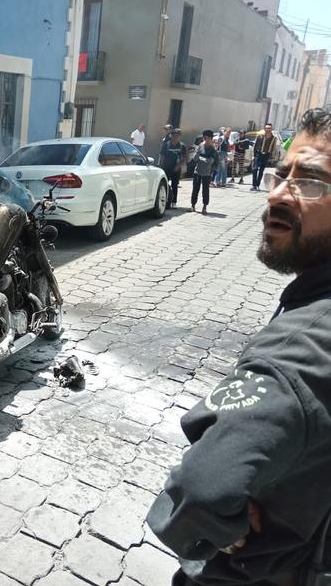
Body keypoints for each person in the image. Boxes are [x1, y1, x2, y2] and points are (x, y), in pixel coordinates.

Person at [146, 107, 331, 586]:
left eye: (309, 180)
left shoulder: (301, 349)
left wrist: (219, 530)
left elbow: (199, 490)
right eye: (280, 174)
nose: (276, 193)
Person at [190, 129, 219, 215]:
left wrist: (201, 158)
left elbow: (210, 162)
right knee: (195, 189)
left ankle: (204, 206)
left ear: (211, 138)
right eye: (204, 138)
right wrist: (200, 157)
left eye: (207, 138)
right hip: (197, 171)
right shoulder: (200, 146)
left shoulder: (213, 150)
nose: (206, 140)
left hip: (207, 173)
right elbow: (195, 158)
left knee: (205, 190)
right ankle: (193, 205)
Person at [160, 128, 186, 208]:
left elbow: (184, 158)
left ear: (180, 136)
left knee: (175, 185)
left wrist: (178, 166)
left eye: (177, 135)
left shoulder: (182, 146)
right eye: (174, 135)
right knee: (165, 185)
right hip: (166, 168)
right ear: (171, 135)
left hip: (176, 169)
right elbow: (162, 156)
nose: (175, 137)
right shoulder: (166, 145)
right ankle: (166, 201)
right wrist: (161, 166)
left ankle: (174, 202)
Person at [251, 123, 279, 191]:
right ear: (264, 129)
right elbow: (255, 146)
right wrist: (253, 155)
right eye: (266, 128)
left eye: (269, 128)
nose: (267, 130)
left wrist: (273, 157)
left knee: (261, 170)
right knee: (255, 169)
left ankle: (257, 185)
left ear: (271, 129)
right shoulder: (260, 136)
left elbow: (274, 148)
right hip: (258, 154)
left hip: (266, 155)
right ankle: (253, 185)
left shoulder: (273, 138)